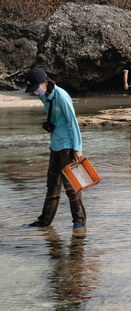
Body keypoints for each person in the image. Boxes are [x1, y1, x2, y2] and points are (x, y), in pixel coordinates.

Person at [24, 67, 86, 229]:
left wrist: (77, 149)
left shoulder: (62, 97)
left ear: (45, 82)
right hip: (55, 145)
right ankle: (44, 222)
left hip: (67, 147)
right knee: (52, 184)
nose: (35, 92)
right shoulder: (43, 96)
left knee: (71, 186)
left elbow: (73, 123)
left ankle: (79, 222)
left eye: (36, 87)